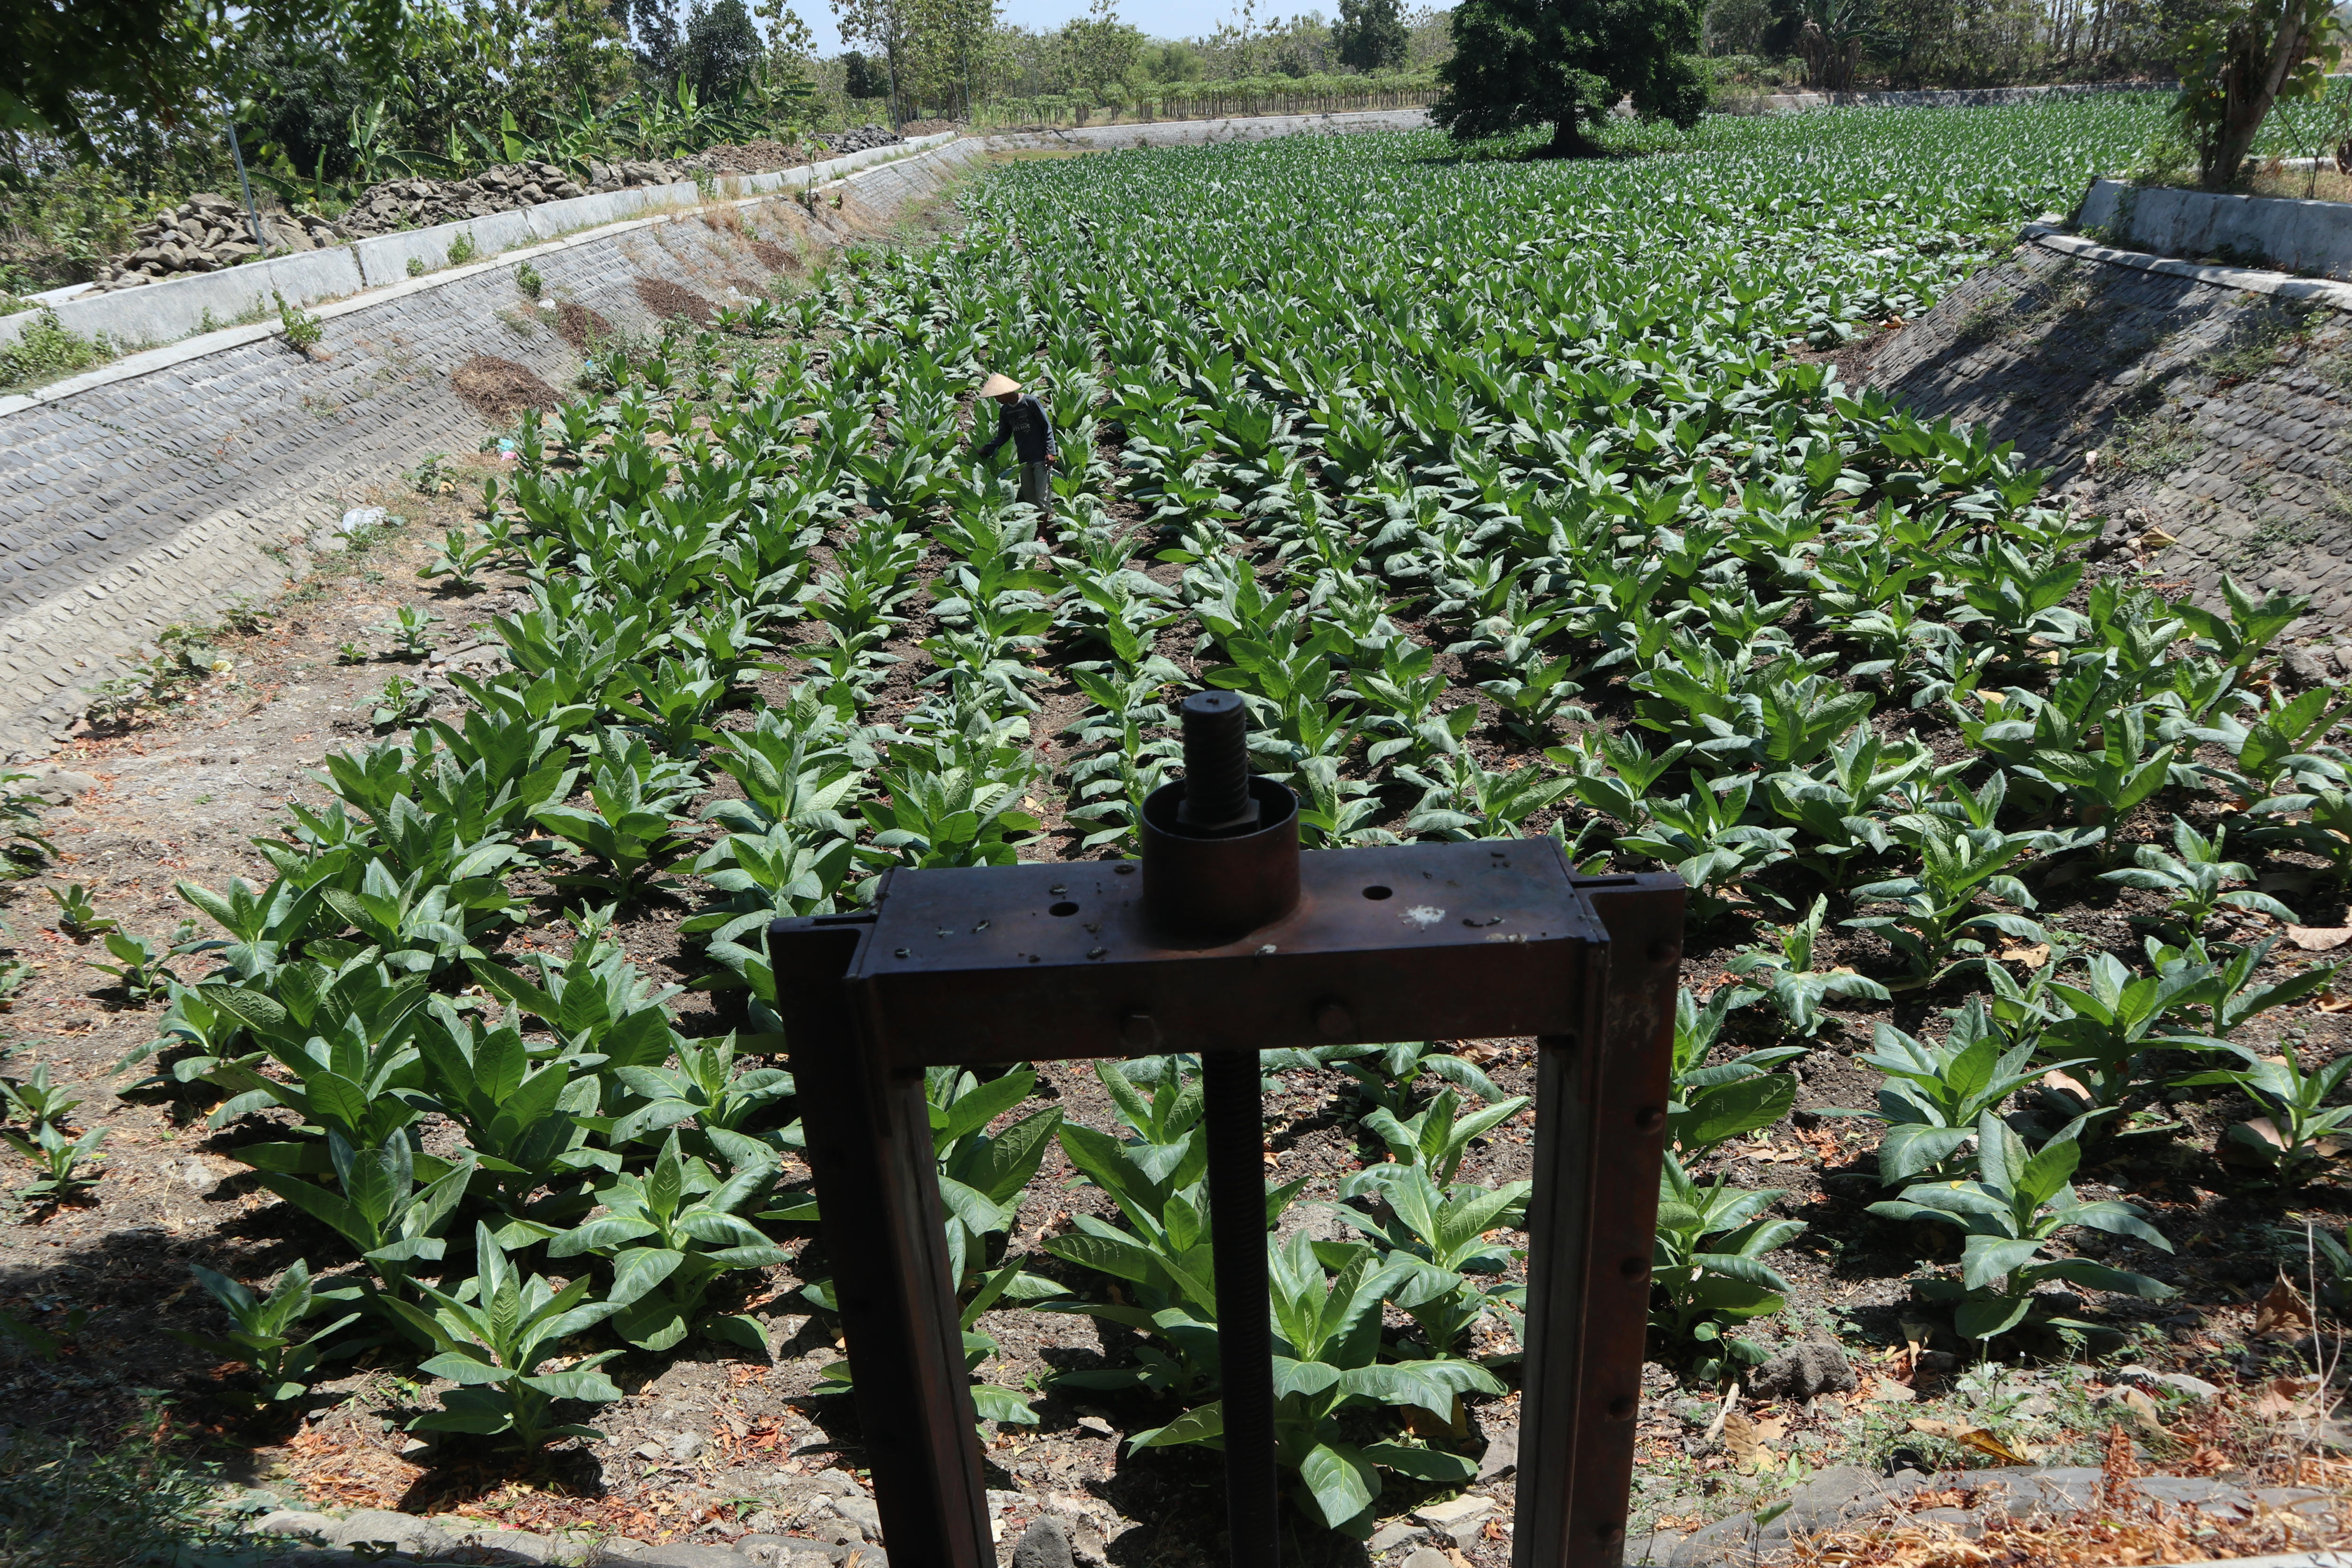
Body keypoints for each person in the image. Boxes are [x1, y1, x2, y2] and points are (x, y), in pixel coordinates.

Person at [973, 372, 1058, 525]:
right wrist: (987, 449)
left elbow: (1047, 427)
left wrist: (1051, 452)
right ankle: (1036, 524)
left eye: (997, 396)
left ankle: (1043, 529)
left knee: (1043, 494)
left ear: (1006, 393)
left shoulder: (1031, 402)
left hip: (1041, 457)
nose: (996, 400)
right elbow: (1003, 436)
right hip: (1024, 459)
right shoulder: (1005, 411)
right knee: (1030, 496)